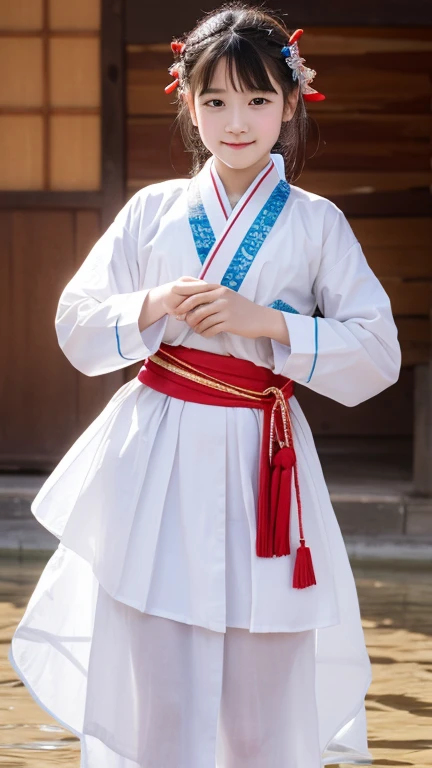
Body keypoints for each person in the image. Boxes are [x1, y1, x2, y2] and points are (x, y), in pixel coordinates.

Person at [9, 3, 401, 767]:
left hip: (266, 458)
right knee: (159, 680)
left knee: (263, 689)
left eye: (258, 100)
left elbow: (377, 352)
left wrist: (271, 323)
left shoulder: (318, 223)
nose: (236, 121)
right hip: (159, 451)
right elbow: (77, 323)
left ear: (292, 104)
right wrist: (152, 304)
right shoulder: (152, 210)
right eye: (215, 100)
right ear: (187, 104)